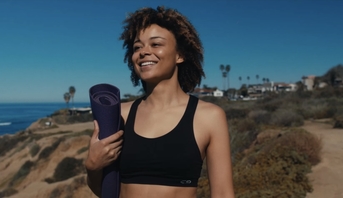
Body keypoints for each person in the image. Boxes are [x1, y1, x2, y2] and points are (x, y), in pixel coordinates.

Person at [85, 6, 234, 198]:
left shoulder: (209, 117)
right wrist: (92, 166)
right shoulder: (120, 114)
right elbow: (106, 191)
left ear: (180, 55)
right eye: (137, 47)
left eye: (156, 44)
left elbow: (223, 193)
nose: (144, 52)